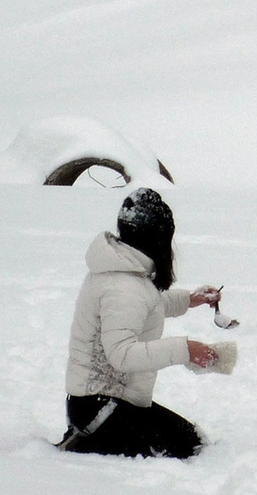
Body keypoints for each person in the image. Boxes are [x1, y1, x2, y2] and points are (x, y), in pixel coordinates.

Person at [58, 188, 224, 459]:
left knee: (193, 444)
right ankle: (82, 444)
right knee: (181, 454)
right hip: (100, 411)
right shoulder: (123, 286)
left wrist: (189, 300)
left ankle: (86, 439)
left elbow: (146, 306)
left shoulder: (126, 273)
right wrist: (186, 349)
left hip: (113, 404)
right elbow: (122, 355)